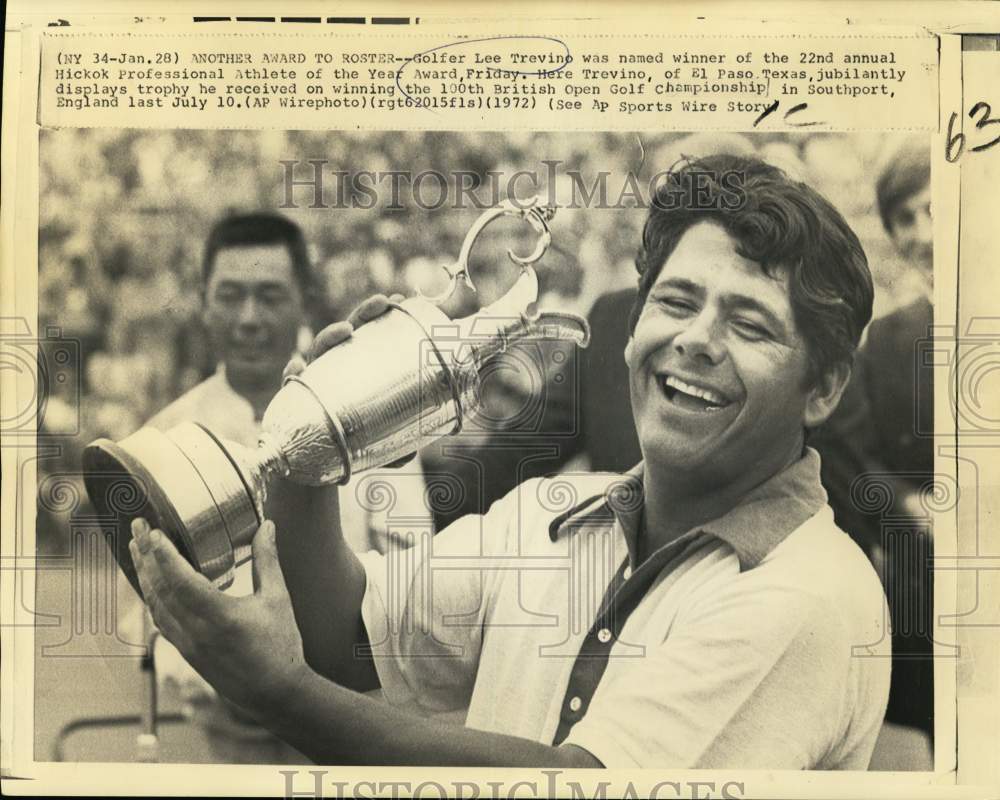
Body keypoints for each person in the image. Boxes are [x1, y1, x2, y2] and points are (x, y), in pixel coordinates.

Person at [128, 155, 891, 769]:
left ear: (821, 388)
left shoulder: (814, 592)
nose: (696, 338)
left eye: (750, 323)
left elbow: (579, 784)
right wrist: (308, 461)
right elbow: (350, 644)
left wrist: (276, 691)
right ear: (631, 329)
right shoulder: (548, 517)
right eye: (676, 301)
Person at [138, 211, 429, 763]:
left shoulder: (368, 413)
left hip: (356, 728)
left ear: (304, 299)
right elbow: (155, 611)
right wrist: (237, 678)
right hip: (231, 741)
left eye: (270, 296)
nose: (249, 318)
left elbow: (415, 566)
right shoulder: (163, 439)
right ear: (203, 302)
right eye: (230, 295)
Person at [811, 138, 935, 766]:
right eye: (905, 219)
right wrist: (914, 505)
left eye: (934, 211)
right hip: (933, 590)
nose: (924, 235)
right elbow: (853, 456)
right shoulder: (885, 343)